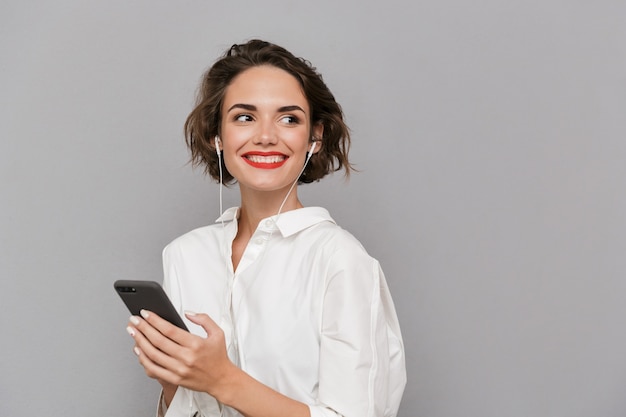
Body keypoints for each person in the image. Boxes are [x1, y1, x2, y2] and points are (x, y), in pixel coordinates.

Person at [126, 39, 406, 417]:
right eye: (245, 117)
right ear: (217, 136)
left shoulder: (339, 259)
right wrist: (172, 378)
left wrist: (221, 379)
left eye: (289, 118)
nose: (266, 136)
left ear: (315, 138)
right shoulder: (185, 254)